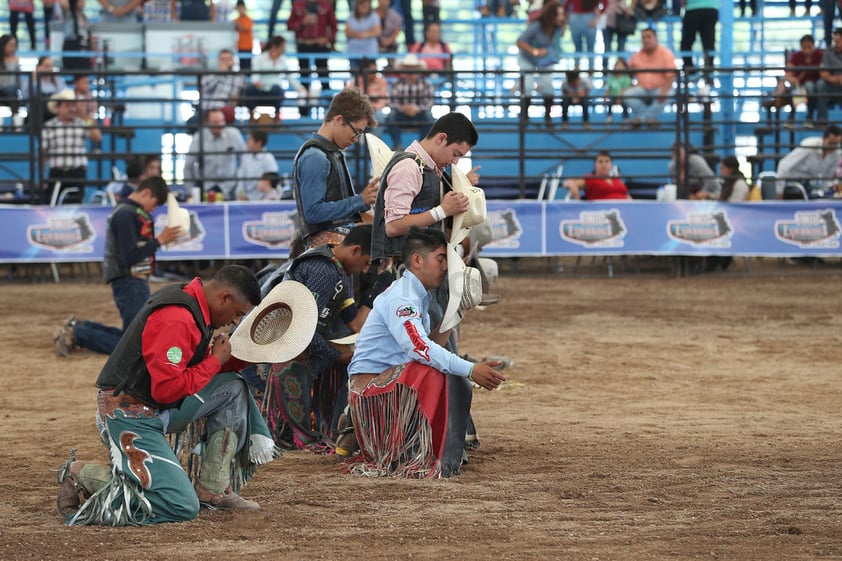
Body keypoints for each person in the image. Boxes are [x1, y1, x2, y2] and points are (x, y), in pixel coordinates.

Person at [55, 265, 272, 525]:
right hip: (129, 414)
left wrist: (242, 356)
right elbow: (167, 388)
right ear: (225, 297)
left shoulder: (192, 304)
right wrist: (215, 361)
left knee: (233, 387)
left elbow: (186, 374)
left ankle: (212, 488)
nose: (236, 321)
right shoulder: (177, 317)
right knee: (180, 504)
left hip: (155, 406)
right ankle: (81, 473)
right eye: (238, 313)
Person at [343, 227, 505, 477]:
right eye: (441, 259)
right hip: (373, 390)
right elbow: (421, 349)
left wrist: (456, 313)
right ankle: (424, 455)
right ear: (417, 260)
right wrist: (471, 369)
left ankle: (434, 454)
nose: (445, 268)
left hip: (380, 384)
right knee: (434, 372)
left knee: (440, 370)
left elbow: (426, 346)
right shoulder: (403, 298)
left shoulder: (413, 294)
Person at [256, 224, 377, 450]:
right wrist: (336, 355)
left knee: (346, 362)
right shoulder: (325, 271)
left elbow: (353, 320)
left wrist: (374, 289)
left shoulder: (336, 267)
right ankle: (301, 434)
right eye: (366, 262)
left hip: (300, 344)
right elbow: (303, 329)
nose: (364, 270)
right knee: (335, 364)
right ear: (356, 251)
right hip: (287, 347)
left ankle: (328, 429)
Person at [54, 176, 183, 357]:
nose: (153, 209)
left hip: (132, 280)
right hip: (129, 280)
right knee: (134, 345)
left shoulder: (127, 212)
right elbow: (128, 256)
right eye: (154, 204)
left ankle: (80, 328)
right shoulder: (126, 214)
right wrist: (159, 241)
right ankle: (77, 333)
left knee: (133, 336)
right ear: (146, 193)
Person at [292, 87, 379, 249]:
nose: (355, 140)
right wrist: (360, 200)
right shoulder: (315, 157)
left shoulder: (331, 154)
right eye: (357, 132)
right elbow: (313, 212)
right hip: (324, 252)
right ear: (339, 120)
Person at [40, 89, 101, 205]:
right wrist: (42, 176)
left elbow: (97, 137)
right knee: (53, 205)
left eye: (73, 105)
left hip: (77, 173)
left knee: (76, 205)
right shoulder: (49, 126)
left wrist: (86, 118)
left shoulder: (82, 124)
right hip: (56, 172)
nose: (71, 109)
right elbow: (43, 152)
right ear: (58, 108)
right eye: (67, 105)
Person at [183, 108, 248, 200]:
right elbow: (188, 166)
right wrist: (190, 192)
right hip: (206, 189)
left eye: (222, 121)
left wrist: (240, 182)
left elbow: (245, 159)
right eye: (216, 122)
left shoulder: (234, 134)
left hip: (231, 188)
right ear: (207, 123)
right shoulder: (199, 138)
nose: (220, 125)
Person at [287, 0, 338, 118]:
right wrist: (302, 22)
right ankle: (304, 115)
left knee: (324, 79)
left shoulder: (325, 5)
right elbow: (290, 25)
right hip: (303, 46)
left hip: (320, 46)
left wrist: (327, 39)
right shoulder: (298, 5)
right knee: (304, 80)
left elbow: (334, 27)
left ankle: (332, 115)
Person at [516, 0, 564, 122]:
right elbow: (520, 41)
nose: (562, 17)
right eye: (559, 14)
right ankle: (524, 117)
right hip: (528, 57)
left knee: (548, 84)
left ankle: (548, 118)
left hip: (544, 60)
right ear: (552, 15)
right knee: (527, 85)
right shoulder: (536, 25)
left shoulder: (557, 28)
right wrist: (535, 51)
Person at [625, 27, 676, 127]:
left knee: (670, 93)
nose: (646, 40)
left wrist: (664, 92)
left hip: (660, 89)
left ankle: (640, 118)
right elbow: (627, 73)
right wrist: (630, 84)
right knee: (626, 94)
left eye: (648, 37)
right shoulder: (636, 55)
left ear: (656, 38)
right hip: (642, 89)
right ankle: (649, 118)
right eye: (643, 37)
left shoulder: (666, 53)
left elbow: (671, 76)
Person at [243, 35, 302, 120]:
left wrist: (300, 88)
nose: (284, 50)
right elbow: (255, 75)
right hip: (260, 89)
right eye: (282, 48)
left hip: (274, 90)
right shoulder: (259, 58)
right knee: (249, 90)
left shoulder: (283, 59)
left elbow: (289, 76)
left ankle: (277, 116)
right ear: (275, 47)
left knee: (277, 90)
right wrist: (256, 82)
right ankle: (252, 117)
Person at [384, 54, 435, 149]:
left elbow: (430, 101)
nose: (411, 72)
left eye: (413, 69)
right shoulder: (397, 83)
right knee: (391, 117)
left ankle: (422, 146)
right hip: (401, 114)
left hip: (420, 113)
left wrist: (417, 109)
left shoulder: (426, 84)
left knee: (428, 117)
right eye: (408, 69)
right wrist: (403, 108)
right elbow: (391, 101)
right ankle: (397, 145)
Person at [775, 125, 842, 196]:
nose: (832, 147)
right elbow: (783, 165)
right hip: (792, 184)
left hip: (808, 186)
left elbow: (827, 176)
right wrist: (779, 192)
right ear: (823, 139)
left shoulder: (837, 153)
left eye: (836, 144)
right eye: (830, 143)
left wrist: (825, 194)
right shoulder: (809, 146)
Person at [195, 48, 246, 126]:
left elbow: (239, 96)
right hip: (208, 109)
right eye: (223, 59)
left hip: (226, 109)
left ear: (232, 61)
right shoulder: (210, 74)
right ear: (218, 61)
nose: (226, 62)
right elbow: (204, 88)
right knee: (194, 121)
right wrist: (220, 74)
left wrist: (237, 99)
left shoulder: (238, 77)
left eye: (228, 59)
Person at [785, 34, 823, 126]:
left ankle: (809, 117)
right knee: (797, 89)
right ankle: (792, 118)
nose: (806, 50)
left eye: (809, 47)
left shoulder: (820, 55)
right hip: (799, 85)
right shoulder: (796, 56)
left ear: (813, 46)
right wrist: (792, 79)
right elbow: (788, 74)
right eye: (804, 47)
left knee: (809, 87)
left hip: (814, 86)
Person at [563, 151, 630, 200]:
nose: (604, 164)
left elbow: (626, 195)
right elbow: (568, 182)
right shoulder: (590, 178)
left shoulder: (616, 179)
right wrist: (577, 197)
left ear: (611, 165)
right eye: (600, 162)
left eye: (607, 161)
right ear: (595, 165)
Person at [679, 0, 718, 81]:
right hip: (711, 9)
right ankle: (709, 73)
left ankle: (689, 71)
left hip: (692, 10)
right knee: (709, 43)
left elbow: (683, 2)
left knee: (686, 43)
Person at [235, 129, 279, 201]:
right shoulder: (245, 158)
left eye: (249, 140)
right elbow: (240, 182)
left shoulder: (268, 158)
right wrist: (240, 195)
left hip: (264, 200)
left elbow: (271, 184)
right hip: (245, 201)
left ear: (258, 143)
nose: (247, 143)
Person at [816, 28, 842, 125]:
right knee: (820, 84)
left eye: (838, 42)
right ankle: (822, 121)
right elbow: (823, 73)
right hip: (834, 87)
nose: (836, 44)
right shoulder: (828, 52)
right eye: (834, 41)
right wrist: (837, 79)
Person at [563, 0, 599, 71]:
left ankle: (577, 69)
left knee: (578, 48)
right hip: (588, 18)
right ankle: (590, 70)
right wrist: (597, 17)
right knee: (590, 49)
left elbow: (566, 6)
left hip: (576, 18)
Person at [345, 0, 381, 70]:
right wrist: (365, 33)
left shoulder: (374, 16)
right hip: (354, 52)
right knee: (355, 77)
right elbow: (347, 32)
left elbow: (377, 32)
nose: (364, 8)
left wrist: (362, 34)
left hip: (369, 53)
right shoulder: (351, 16)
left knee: (370, 76)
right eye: (362, 6)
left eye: (366, 6)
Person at [60, 0, 93, 72]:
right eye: (80, 1)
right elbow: (64, 5)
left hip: (83, 47)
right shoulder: (68, 15)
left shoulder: (84, 17)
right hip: (71, 45)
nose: (83, 3)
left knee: (84, 71)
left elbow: (89, 33)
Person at [601, 0, 633, 71]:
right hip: (608, 20)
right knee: (607, 49)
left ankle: (621, 73)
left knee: (621, 50)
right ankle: (605, 73)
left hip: (622, 19)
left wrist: (630, 8)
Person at [0, 35, 22, 120]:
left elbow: (18, 79)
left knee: (12, 90)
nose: (13, 48)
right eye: (11, 45)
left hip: (11, 91)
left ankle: (17, 119)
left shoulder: (16, 60)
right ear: (3, 45)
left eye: (15, 45)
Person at [605, 57, 631, 123]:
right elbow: (608, 89)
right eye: (618, 65)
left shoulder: (626, 77)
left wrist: (619, 98)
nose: (619, 67)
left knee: (625, 103)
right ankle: (609, 117)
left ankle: (626, 118)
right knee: (609, 101)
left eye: (621, 65)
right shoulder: (611, 77)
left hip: (623, 96)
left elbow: (624, 89)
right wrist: (606, 96)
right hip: (613, 96)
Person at [234, 0, 253, 70]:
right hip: (240, 46)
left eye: (242, 8)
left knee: (247, 66)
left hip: (248, 46)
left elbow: (244, 29)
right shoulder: (236, 20)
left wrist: (237, 23)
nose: (240, 10)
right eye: (239, 8)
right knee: (241, 66)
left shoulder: (248, 19)